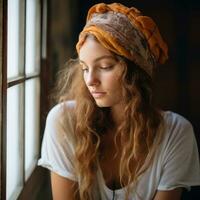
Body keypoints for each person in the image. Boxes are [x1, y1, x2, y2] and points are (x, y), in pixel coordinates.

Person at [38, 2, 200, 200]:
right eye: (85, 68)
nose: (90, 81)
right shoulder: (64, 121)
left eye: (105, 66)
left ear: (136, 72)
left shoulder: (176, 133)